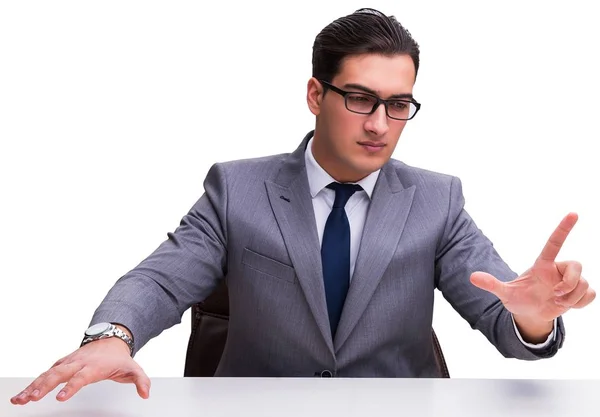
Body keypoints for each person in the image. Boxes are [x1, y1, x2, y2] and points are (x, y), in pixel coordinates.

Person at [11, 7, 595, 406]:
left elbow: (506, 316)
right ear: (316, 94)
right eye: (361, 98)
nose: (379, 125)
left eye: (398, 105)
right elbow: (161, 280)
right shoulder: (237, 189)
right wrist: (111, 336)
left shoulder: (437, 199)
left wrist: (533, 314)